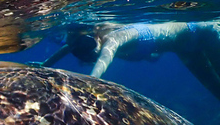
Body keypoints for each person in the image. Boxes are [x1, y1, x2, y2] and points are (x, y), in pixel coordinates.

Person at [34, 21, 220, 102]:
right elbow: (68, 47)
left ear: (95, 35)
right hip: (185, 49)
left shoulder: (116, 37)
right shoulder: (89, 42)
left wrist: (91, 80)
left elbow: (105, 58)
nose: (91, 50)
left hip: (203, 33)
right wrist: (45, 64)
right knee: (215, 89)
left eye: (89, 43)